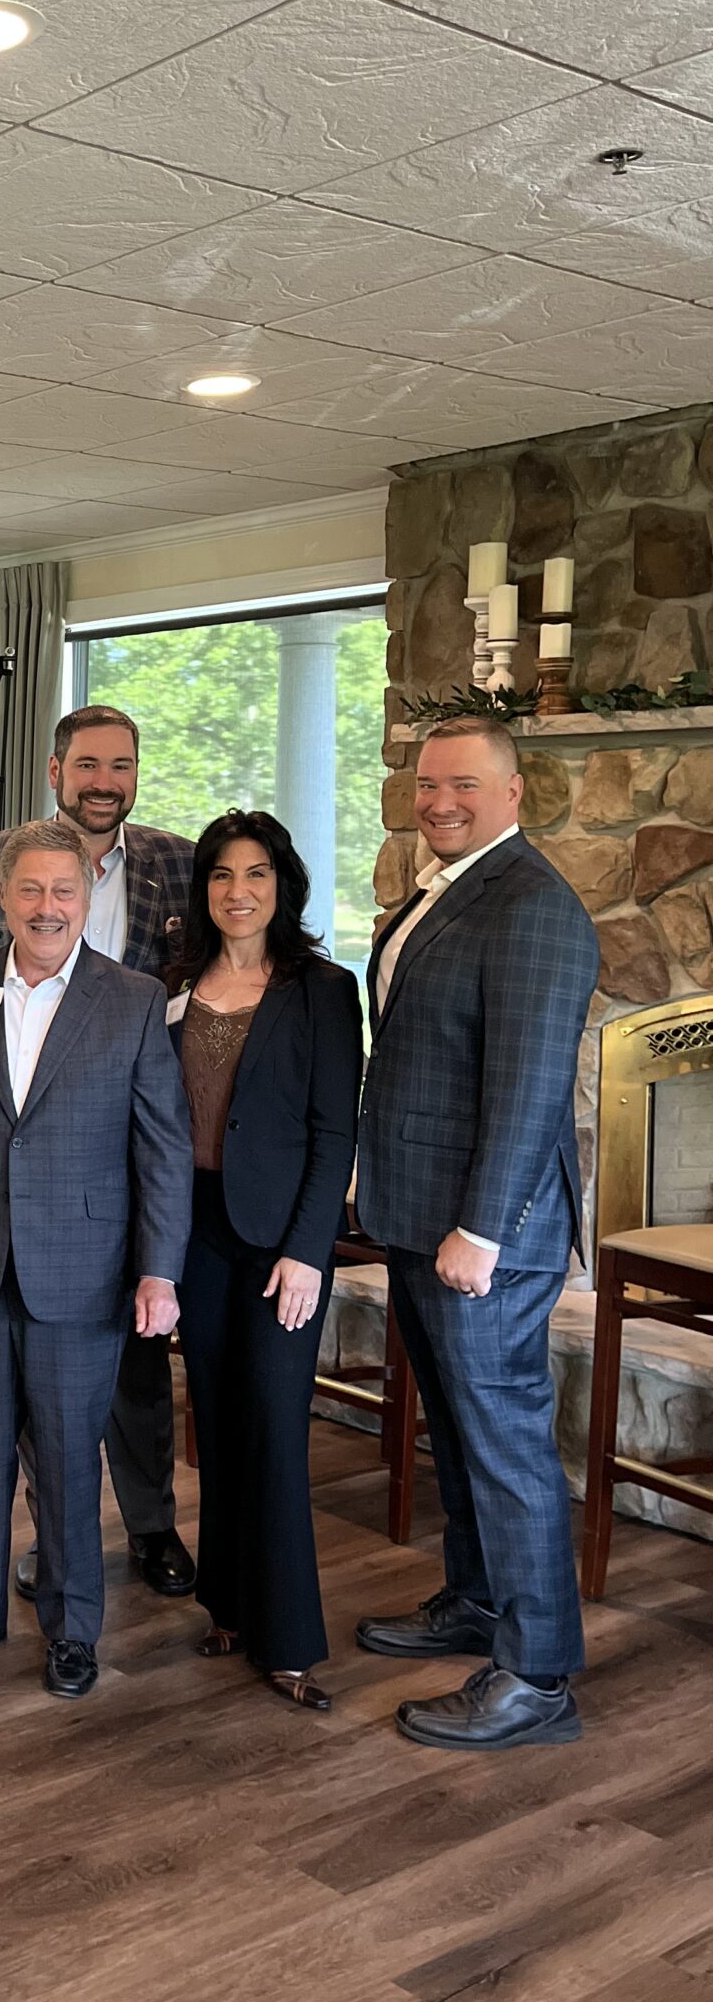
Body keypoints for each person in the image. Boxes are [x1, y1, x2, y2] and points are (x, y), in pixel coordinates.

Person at [0, 820, 193, 1700]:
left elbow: (161, 1148)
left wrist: (159, 1270)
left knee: (65, 1457)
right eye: (32, 891)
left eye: (64, 892)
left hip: (85, 1270)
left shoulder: (131, 999)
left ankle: (71, 1627)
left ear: (87, 900)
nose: (47, 907)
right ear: (5, 898)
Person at [354, 718, 598, 1751]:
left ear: (514, 792)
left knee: (505, 1448)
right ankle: (478, 1599)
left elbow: (532, 1089)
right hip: (421, 1216)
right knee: (456, 1430)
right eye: (425, 785)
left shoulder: (536, 906)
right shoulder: (446, 888)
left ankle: (538, 1676)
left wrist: (482, 1229)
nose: (439, 800)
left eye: (462, 784)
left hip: (483, 1234)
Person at [0, 704, 196, 1604]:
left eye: (120, 765)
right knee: (25, 1384)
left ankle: (152, 1527)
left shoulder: (174, 859)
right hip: (30, 1154)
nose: (104, 781)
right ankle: (38, 1549)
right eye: (87, 764)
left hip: (134, 1127)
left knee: (134, 1371)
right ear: (56, 771)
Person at [167, 812, 362, 1711]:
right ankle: (230, 1605)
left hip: (281, 1242)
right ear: (203, 889)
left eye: (255, 873)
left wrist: (308, 1254)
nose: (237, 891)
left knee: (276, 1424)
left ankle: (289, 1641)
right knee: (216, 1418)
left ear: (283, 884)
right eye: (220, 875)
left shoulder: (321, 989)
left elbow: (334, 1132)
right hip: (192, 1235)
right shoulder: (173, 984)